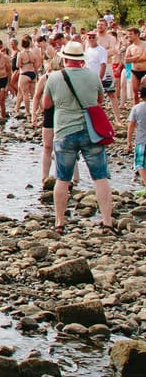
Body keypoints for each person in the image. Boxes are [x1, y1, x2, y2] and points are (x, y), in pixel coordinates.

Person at [44, 40, 116, 235]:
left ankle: (60, 222)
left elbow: (47, 104)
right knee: (100, 178)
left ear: (64, 58)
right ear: (81, 60)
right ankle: (107, 222)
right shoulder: (92, 76)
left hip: (64, 132)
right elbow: (100, 101)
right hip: (91, 131)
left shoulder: (54, 77)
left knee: (62, 179)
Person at [128, 84, 146, 190]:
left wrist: (128, 142)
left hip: (141, 141)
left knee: (140, 164)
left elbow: (131, 126)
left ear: (140, 95)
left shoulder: (136, 108)